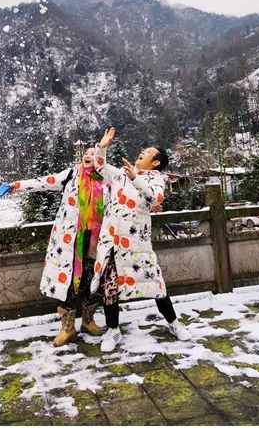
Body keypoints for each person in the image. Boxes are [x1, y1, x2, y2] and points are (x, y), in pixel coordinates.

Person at [0, 146, 110, 346]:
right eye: (87, 153)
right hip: (69, 242)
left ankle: (88, 321)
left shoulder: (108, 179)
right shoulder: (71, 174)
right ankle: (67, 327)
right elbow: (44, 182)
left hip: (95, 241)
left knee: (92, 282)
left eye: (93, 154)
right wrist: (16, 185)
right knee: (67, 283)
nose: (88, 156)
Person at [90, 127, 191, 352]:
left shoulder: (157, 180)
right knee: (110, 288)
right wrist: (102, 147)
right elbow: (99, 166)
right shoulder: (119, 174)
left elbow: (155, 198)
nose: (141, 152)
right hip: (112, 243)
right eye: (142, 150)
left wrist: (135, 178)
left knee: (156, 285)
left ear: (155, 163)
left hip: (138, 246)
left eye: (147, 152)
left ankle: (174, 323)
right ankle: (113, 330)